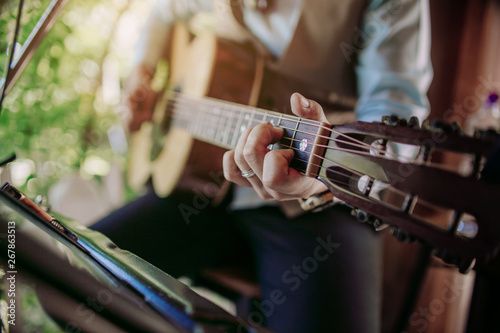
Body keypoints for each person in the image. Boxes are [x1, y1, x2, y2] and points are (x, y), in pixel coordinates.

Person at [92, 0, 433, 332]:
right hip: (203, 189)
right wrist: (143, 71)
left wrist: (317, 183)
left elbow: (395, 127)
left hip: (318, 202)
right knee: (82, 277)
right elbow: (163, 11)